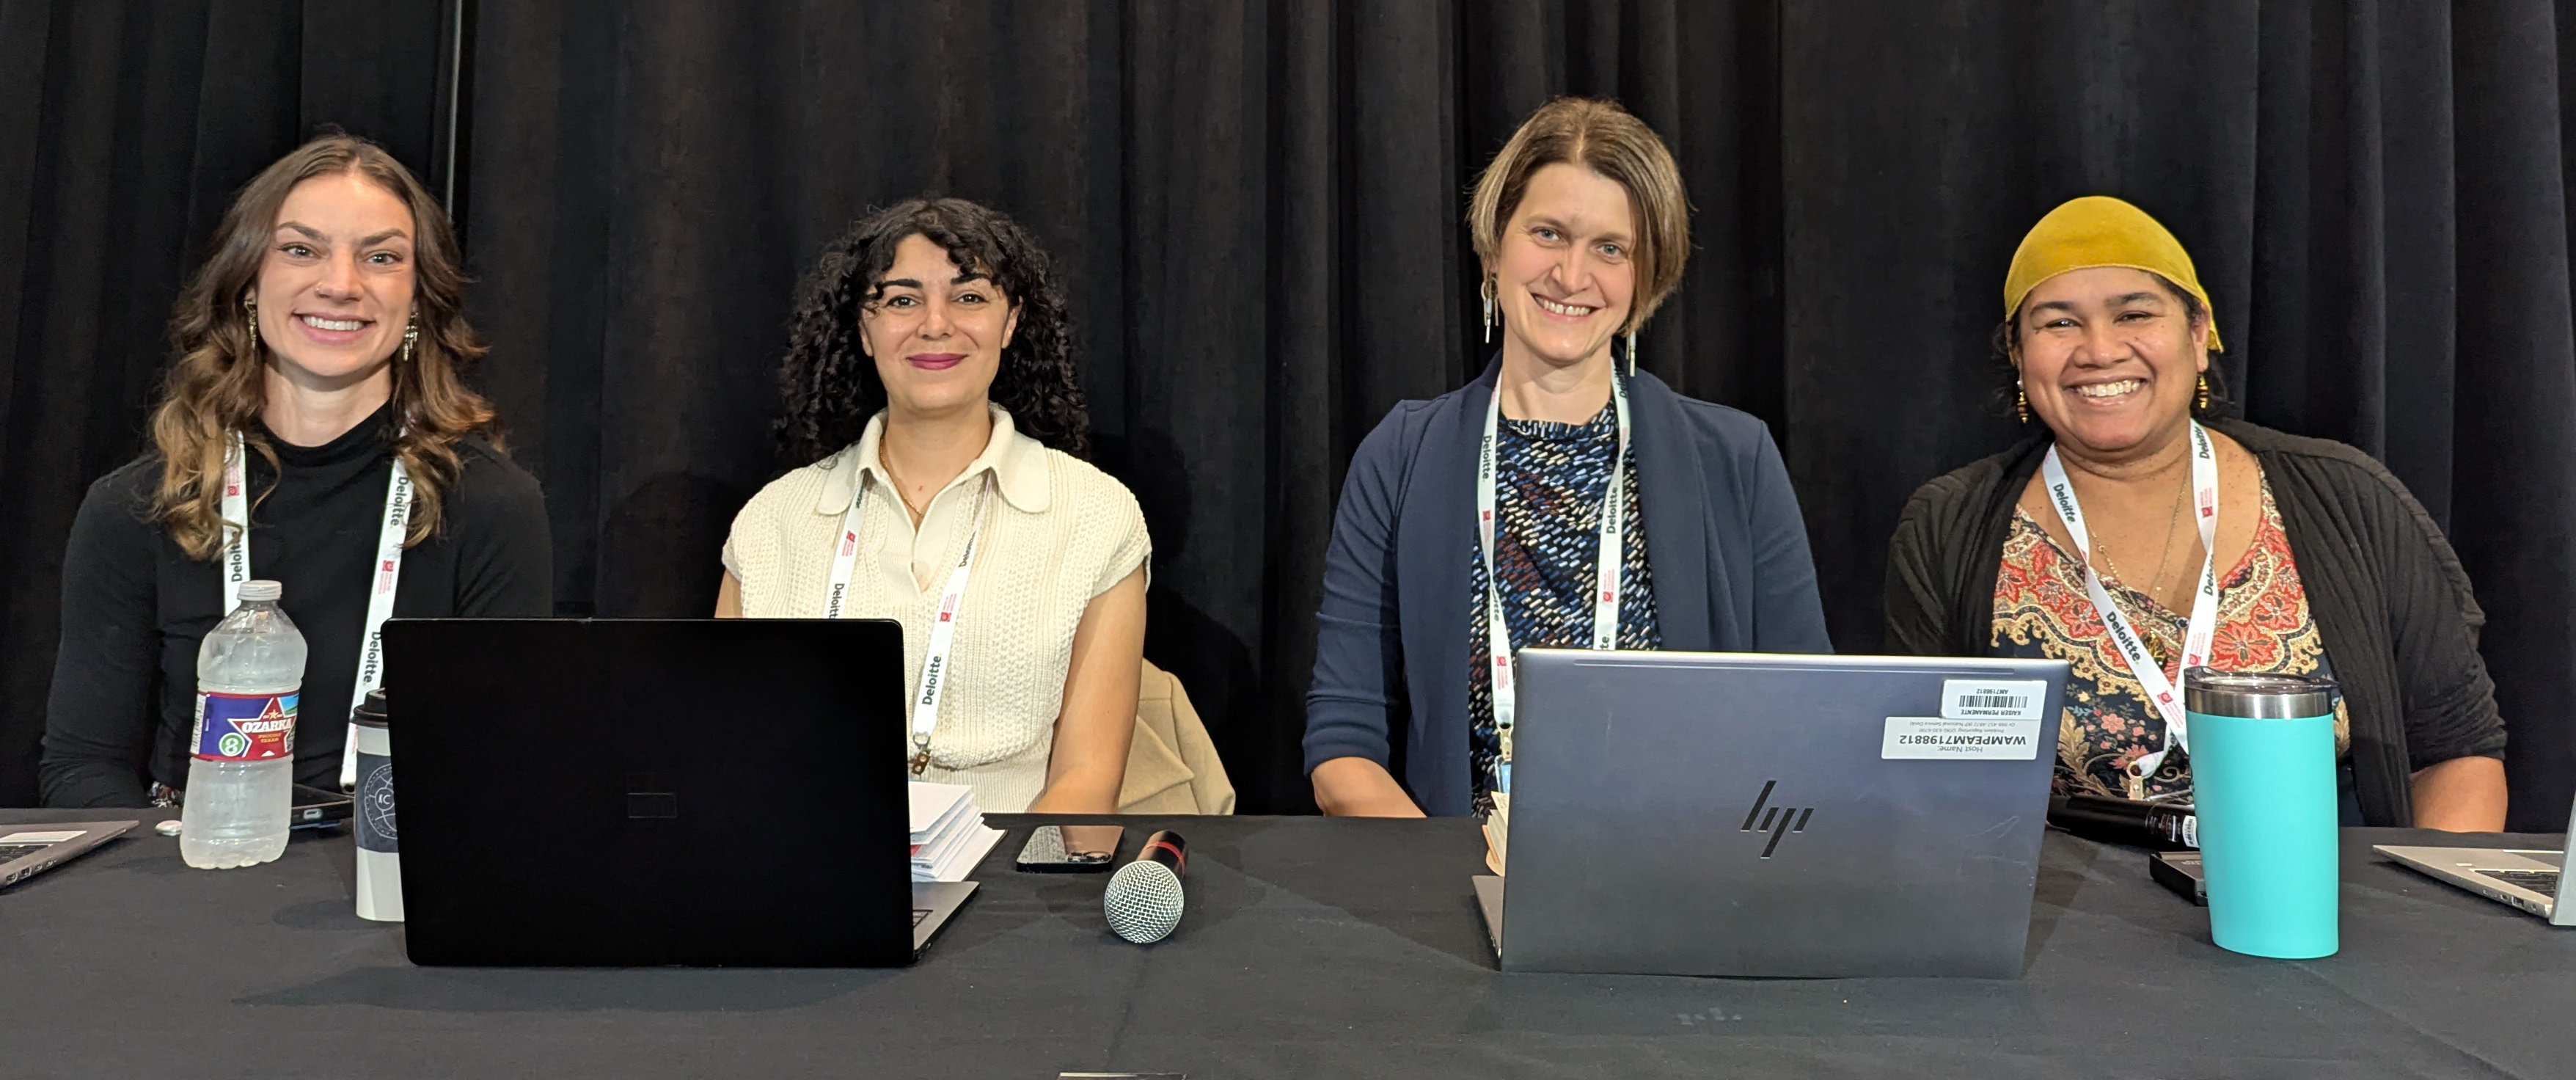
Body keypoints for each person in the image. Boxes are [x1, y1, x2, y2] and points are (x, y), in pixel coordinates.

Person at [1884, 196, 2507, 830]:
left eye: (2134, 314)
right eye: (2059, 323)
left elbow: (2454, 753)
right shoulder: (1950, 527)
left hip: (2322, 888)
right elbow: (1926, 784)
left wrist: (2415, 897)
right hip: (2057, 894)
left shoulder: (2346, 498)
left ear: (2198, 333)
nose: (2099, 350)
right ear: (2020, 355)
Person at [1303, 98, 1834, 819]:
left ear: (1646, 277)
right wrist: (1450, 869)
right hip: (1461, 872)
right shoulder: (1400, 456)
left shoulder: (1736, 460)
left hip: (1686, 873)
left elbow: (1806, 722)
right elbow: (1342, 747)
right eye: (1548, 234)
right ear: (1494, 248)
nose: (1571, 274)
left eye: (1610, 249)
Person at [41, 134, 552, 808]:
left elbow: (507, 767)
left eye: (381, 257)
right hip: (190, 856)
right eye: (301, 250)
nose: (341, 285)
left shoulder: (489, 505)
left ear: (418, 301)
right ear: (248, 285)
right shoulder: (139, 507)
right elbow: (83, 768)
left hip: (389, 859)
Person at [717, 197, 1149, 815]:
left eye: (969, 297)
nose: (936, 324)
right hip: (805, 858)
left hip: (1013, 863)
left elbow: (1087, 782)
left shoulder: (1096, 516)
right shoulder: (772, 522)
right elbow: (729, 754)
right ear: (864, 330)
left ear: (1011, 322)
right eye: (902, 300)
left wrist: (1004, 876)